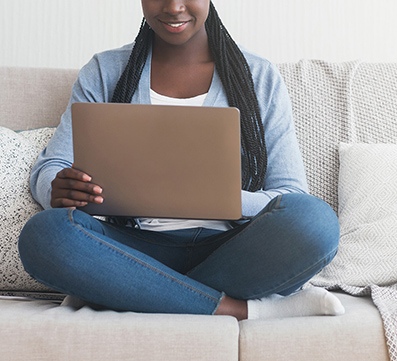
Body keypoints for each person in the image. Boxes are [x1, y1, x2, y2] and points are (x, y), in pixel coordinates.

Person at [18, 0, 343, 320]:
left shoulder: (257, 74)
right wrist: (56, 189)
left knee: (315, 222)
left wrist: (219, 199)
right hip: (131, 246)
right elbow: (51, 166)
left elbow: (290, 195)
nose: (174, 7)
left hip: (232, 251)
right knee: (45, 235)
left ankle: (123, 289)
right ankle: (242, 310)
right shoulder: (105, 71)